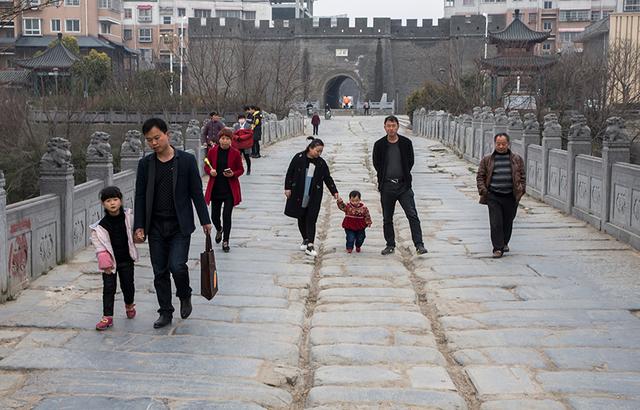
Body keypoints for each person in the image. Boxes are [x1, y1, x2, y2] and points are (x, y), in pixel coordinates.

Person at [135, 118, 213, 329]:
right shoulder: (145, 164)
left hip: (180, 224)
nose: (153, 143)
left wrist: (205, 220)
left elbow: (196, 192)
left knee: (177, 266)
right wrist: (139, 226)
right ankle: (165, 312)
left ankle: (184, 294)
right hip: (156, 226)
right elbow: (140, 196)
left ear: (167, 134)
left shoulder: (186, 161)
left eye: (157, 138)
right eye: (149, 140)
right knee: (159, 271)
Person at [372, 115, 428, 256]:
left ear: (397, 127)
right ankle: (390, 244)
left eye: (393, 126)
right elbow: (376, 163)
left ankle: (419, 244)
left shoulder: (406, 143)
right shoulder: (379, 145)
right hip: (387, 186)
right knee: (387, 217)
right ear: (385, 127)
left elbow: (410, 161)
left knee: (412, 214)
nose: (391, 128)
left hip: (403, 186)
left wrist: (403, 175)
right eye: (388, 126)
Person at [90, 186, 138, 331]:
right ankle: (107, 317)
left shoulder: (129, 217)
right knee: (109, 288)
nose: (112, 203)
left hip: (127, 259)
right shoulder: (99, 227)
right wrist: (105, 263)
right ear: (103, 203)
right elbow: (99, 246)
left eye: (115, 200)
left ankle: (129, 304)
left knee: (128, 286)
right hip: (110, 264)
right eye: (108, 201)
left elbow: (136, 231)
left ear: (121, 200)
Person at [284, 138, 340, 257]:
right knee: (301, 216)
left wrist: (334, 191)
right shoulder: (298, 158)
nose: (319, 154)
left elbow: (327, 178)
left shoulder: (321, 163)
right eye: (317, 151)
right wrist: (287, 188)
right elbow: (290, 173)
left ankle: (310, 244)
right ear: (310, 148)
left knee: (311, 218)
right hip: (299, 192)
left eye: (321, 151)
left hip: (314, 194)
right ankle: (305, 238)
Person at [476, 132, 526, 258]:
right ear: (495, 144)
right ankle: (497, 248)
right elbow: (480, 176)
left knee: (508, 221)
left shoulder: (517, 159)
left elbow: (522, 176)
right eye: (498, 144)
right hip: (494, 195)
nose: (501, 146)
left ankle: (504, 242)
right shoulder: (487, 159)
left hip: (511, 196)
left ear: (508, 144)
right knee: (495, 223)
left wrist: (521, 190)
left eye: (503, 144)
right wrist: (483, 190)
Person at [204, 128, 244, 252]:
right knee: (214, 216)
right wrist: (210, 171)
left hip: (229, 190)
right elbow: (206, 165)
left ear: (231, 140)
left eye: (227, 139)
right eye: (222, 138)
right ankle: (219, 228)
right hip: (216, 188)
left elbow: (240, 169)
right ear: (219, 139)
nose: (224, 141)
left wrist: (233, 173)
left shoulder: (236, 153)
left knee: (227, 215)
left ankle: (226, 240)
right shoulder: (212, 151)